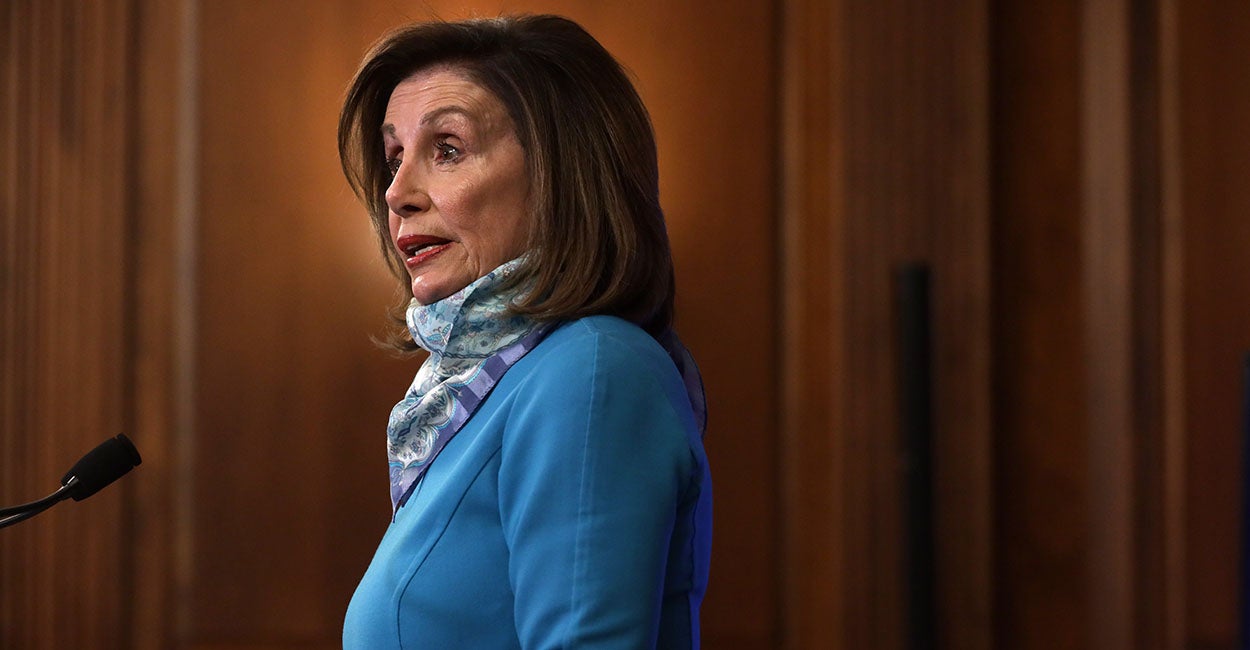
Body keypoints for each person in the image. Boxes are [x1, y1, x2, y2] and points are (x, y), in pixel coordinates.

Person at [337, 15, 712, 649]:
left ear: (563, 173)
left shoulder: (590, 371)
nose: (396, 193)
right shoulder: (496, 390)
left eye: (447, 149)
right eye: (394, 157)